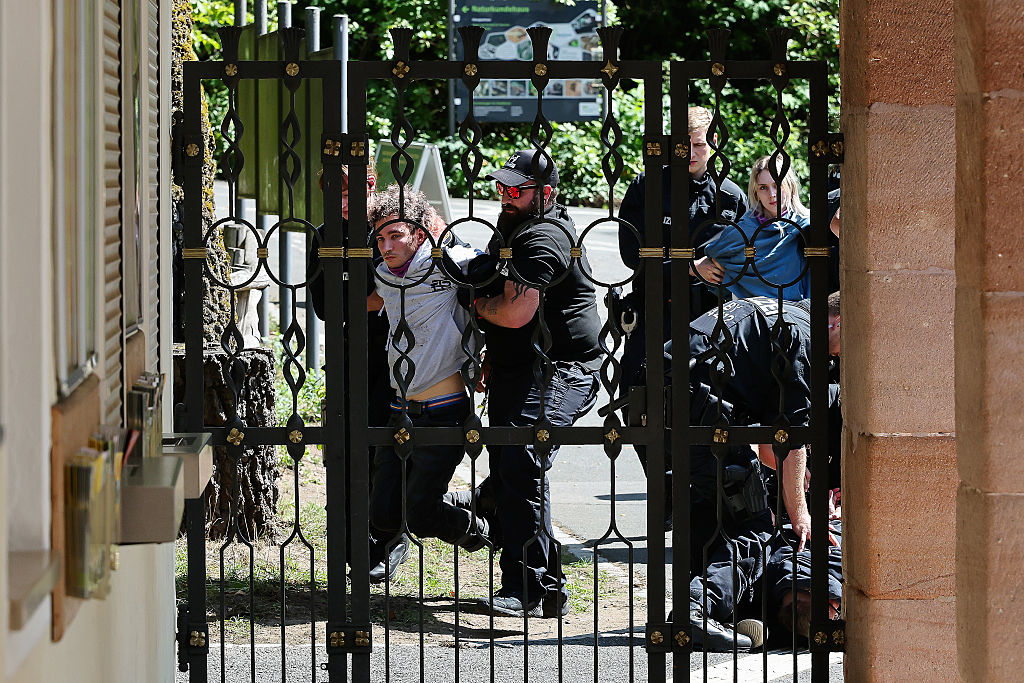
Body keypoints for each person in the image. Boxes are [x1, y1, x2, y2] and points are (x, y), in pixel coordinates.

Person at [664, 290, 841, 651]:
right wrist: (802, 513)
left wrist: (796, 477)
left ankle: (709, 612)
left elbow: (770, 443)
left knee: (714, 508)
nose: (839, 356)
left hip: (669, 397)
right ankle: (694, 612)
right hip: (704, 408)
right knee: (756, 526)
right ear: (837, 321)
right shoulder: (802, 335)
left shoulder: (777, 312)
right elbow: (790, 435)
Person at [468, 150, 602, 618]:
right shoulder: (512, 226)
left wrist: (474, 308)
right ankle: (538, 585)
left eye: (515, 190)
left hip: (563, 367)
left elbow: (515, 311)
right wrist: (492, 354)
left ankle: (528, 586)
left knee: (523, 457)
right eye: (501, 187)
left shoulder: (543, 237)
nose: (504, 196)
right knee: (510, 458)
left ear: (544, 195)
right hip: (519, 365)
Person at [616, 106, 747, 530]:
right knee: (636, 399)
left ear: (713, 145)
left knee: (707, 407)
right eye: (682, 144)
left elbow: (748, 253)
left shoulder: (730, 196)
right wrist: (688, 266)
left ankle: (704, 502)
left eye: (697, 144)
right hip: (655, 310)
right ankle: (669, 487)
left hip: (708, 320)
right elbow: (630, 254)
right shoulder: (646, 188)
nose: (689, 152)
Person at [364, 185, 492, 558]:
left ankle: (483, 531)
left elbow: (486, 267)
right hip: (400, 409)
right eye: (380, 237)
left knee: (420, 516)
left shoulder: (449, 264)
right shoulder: (383, 276)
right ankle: (470, 509)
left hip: (444, 409)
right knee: (383, 515)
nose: (386, 246)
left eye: (395, 236)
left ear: (419, 235)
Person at [306, 164, 412, 583]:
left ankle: (390, 539)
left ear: (372, 186)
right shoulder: (323, 236)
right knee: (350, 451)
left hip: (396, 356)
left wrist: (368, 298)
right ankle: (354, 549)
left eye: (351, 192)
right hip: (350, 355)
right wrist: (370, 298)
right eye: (336, 194)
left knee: (389, 448)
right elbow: (323, 307)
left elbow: (405, 290)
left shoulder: (388, 230)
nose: (344, 202)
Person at [703, 155, 811, 301]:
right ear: (756, 192)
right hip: (752, 315)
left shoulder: (806, 225)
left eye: (777, 185)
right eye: (763, 188)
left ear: (790, 185)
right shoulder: (741, 232)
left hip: (797, 315)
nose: (772, 195)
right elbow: (715, 259)